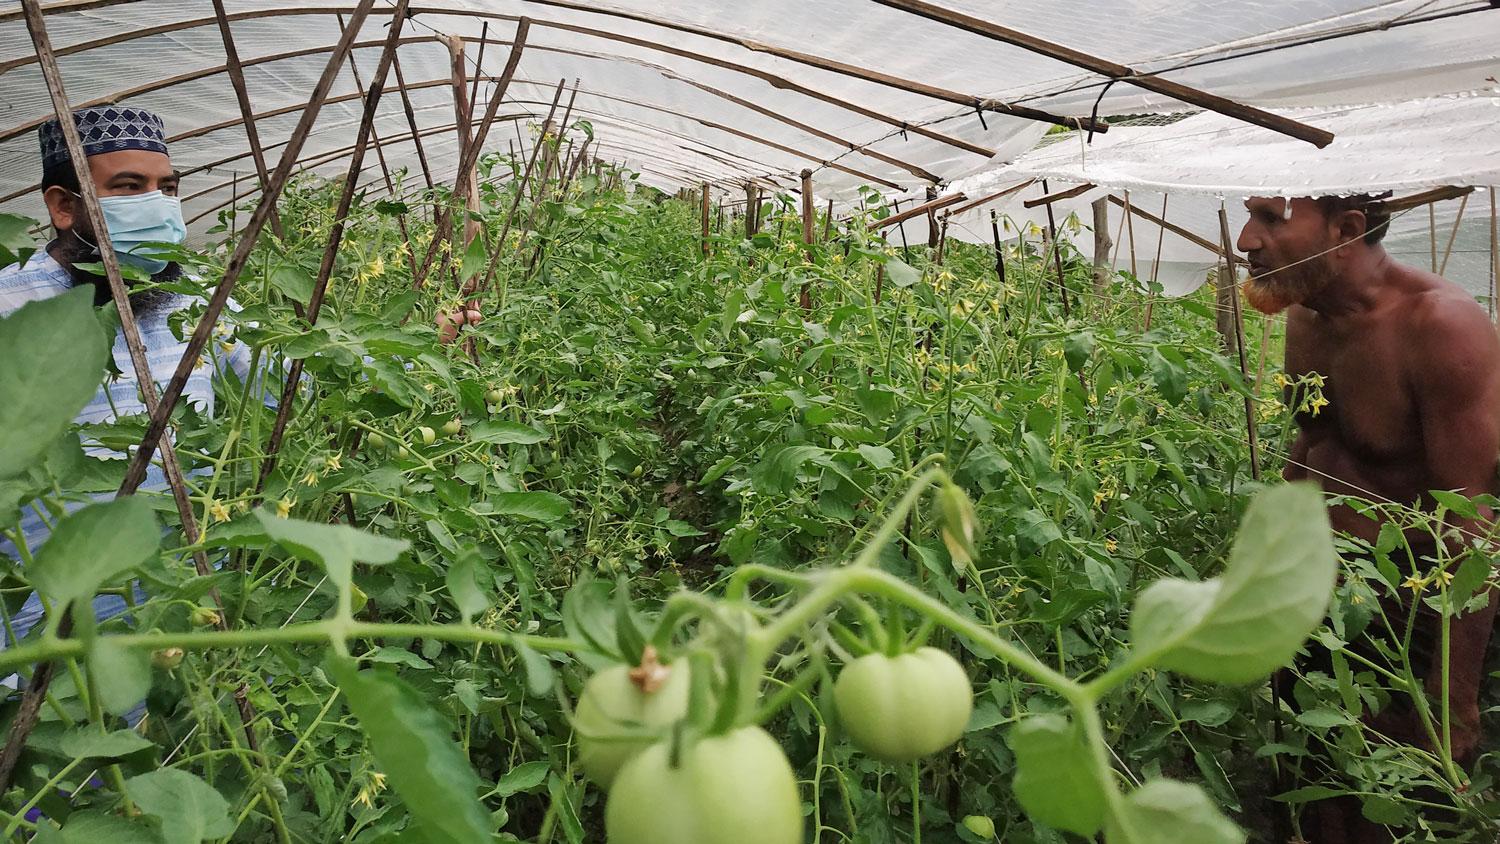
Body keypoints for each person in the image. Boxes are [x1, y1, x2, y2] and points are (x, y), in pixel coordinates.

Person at [1238, 194, 1500, 842]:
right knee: (1321, 785)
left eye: (1271, 218)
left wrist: (1453, 695)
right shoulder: (1306, 319)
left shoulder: (1439, 326)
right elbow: (1314, 446)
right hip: (1329, 601)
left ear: (1346, 228)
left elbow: (1473, 526)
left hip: (1414, 613)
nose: (1246, 239)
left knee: (1404, 800)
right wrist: (1269, 580)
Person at [0, 106, 261, 652]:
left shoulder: (195, 293)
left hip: (178, 585)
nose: (158, 205)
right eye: (128, 186)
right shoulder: (12, 304)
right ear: (62, 207)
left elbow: (283, 374)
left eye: (168, 188)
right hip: (45, 611)